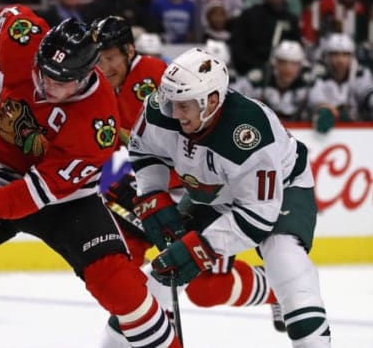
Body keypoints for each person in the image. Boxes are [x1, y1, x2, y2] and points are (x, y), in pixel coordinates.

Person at [0, 9, 180, 348]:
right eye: (43, 73)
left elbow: (31, 197)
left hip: (64, 201)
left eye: (59, 82)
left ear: (88, 74)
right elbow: (3, 19)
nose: (45, 85)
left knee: (120, 285)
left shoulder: (97, 124)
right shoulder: (25, 39)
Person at [94, 17, 286, 347]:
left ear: (128, 51)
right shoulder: (98, 85)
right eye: (98, 57)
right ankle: (146, 326)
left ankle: (280, 289)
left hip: (198, 192)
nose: (103, 65)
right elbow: (127, 144)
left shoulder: (155, 78)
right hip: (159, 186)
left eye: (110, 56)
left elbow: (191, 141)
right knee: (123, 257)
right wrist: (146, 191)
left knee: (205, 289)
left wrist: (159, 193)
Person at [128, 47, 332, 347]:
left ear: (211, 101)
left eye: (184, 105)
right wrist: (153, 195)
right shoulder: (162, 108)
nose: (174, 112)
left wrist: (201, 248)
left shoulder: (249, 132)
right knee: (163, 277)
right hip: (212, 193)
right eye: (171, 102)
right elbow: (145, 151)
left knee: (284, 259)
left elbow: (258, 217)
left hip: (281, 192)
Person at [308, 33, 373, 133]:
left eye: (345, 55)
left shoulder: (360, 74)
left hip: (358, 130)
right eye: (335, 54)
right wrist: (325, 109)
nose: (340, 60)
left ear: (351, 57)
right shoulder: (318, 75)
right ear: (327, 56)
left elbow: (368, 92)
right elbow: (315, 97)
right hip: (327, 129)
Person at [250, 40, 312, 122]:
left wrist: (323, 109)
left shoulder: (309, 83)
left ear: (301, 65)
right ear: (275, 63)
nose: (288, 69)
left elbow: (320, 103)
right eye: (283, 62)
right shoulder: (258, 81)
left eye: (294, 64)